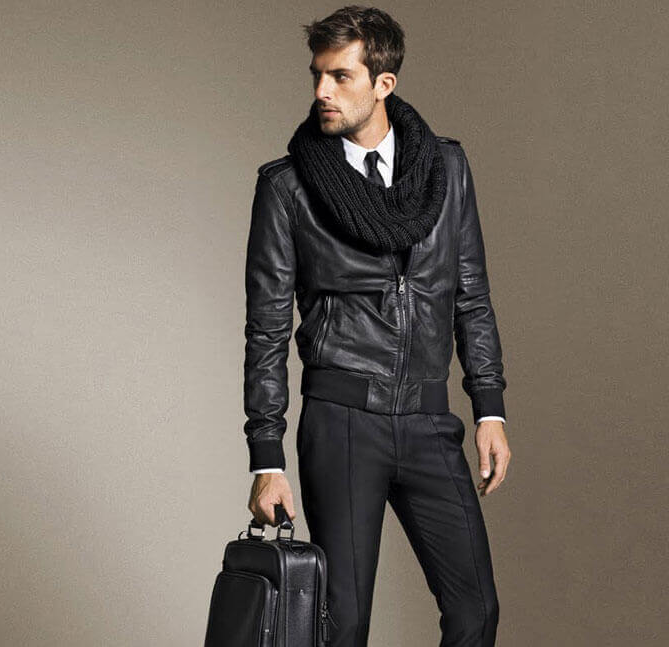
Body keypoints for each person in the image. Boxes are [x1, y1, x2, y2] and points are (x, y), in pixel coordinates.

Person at [241, 6, 510, 646]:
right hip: (343, 423)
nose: (321, 92)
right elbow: (267, 329)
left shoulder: (446, 169)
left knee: (475, 612)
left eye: (340, 76)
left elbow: (469, 292)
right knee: (343, 625)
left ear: (383, 83)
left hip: (428, 419)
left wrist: (490, 408)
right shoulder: (287, 187)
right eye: (317, 75)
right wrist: (266, 457)